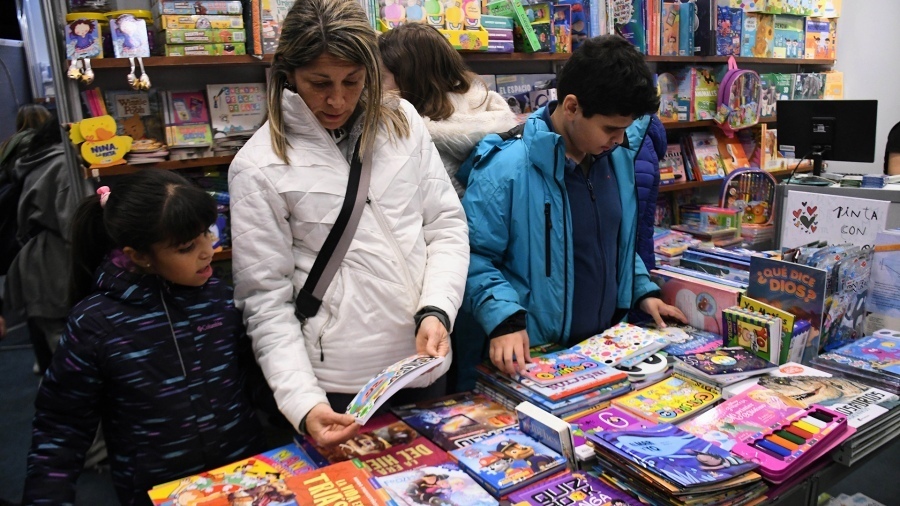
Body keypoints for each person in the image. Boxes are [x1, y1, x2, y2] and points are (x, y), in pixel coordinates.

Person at [228, 0, 469, 448]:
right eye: (319, 83)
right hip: (337, 385)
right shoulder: (259, 166)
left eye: (352, 81)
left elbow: (445, 226)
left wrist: (438, 307)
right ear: (288, 75)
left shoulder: (405, 124)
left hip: (425, 364)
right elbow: (265, 300)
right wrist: (302, 403)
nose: (336, 99)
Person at [455, 35, 687, 387]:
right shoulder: (507, 170)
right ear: (572, 107)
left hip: (603, 354)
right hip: (534, 359)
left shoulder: (617, 160)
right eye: (610, 128)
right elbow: (472, 256)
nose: (620, 140)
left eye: (625, 130)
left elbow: (614, 244)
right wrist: (503, 319)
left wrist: (643, 290)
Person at [24, 170, 267, 505]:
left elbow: (253, 378)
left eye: (207, 234)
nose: (208, 251)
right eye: (186, 247)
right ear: (138, 255)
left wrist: (301, 412)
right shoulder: (96, 324)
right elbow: (62, 425)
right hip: (157, 490)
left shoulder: (218, 298)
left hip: (244, 476)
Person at [378, 23, 518, 196]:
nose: (372, 86)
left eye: (381, 77)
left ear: (411, 79)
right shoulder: (490, 113)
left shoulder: (417, 144)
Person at [3, 114, 85, 374]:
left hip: (38, 263)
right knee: (72, 355)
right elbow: (73, 225)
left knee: (59, 348)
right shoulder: (65, 164)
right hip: (57, 264)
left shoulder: (39, 159)